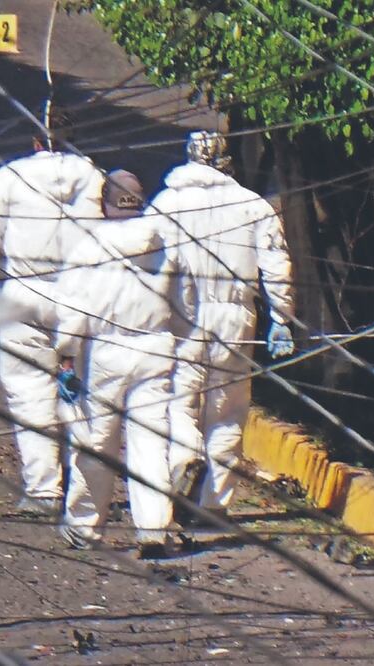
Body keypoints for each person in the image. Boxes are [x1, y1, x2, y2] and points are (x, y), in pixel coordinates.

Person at [147, 131, 295, 523]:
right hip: (236, 320)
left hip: (181, 317)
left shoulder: (165, 204)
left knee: (177, 402)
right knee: (227, 411)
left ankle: (184, 457)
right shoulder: (253, 207)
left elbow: (145, 262)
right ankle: (213, 504)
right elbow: (276, 266)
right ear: (227, 162)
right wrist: (281, 319)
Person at [54, 170, 197, 558]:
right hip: (155, 350)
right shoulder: (165, 246)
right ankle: (153, 529)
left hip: (104, 353)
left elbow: (71, 311)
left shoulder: (89, 248)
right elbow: (185, 307)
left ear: (105, 203)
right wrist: (177, 342)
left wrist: (66, 359)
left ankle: (85, 527)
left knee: (95, 443)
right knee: (149, 443)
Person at [0, 127, 105, 518]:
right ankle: (86, 489)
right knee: (80, 395)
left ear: (35, 140)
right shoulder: (96, 179)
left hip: (24, 297)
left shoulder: (9, 177)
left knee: (28, 392)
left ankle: (43, 489)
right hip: (81, 298)